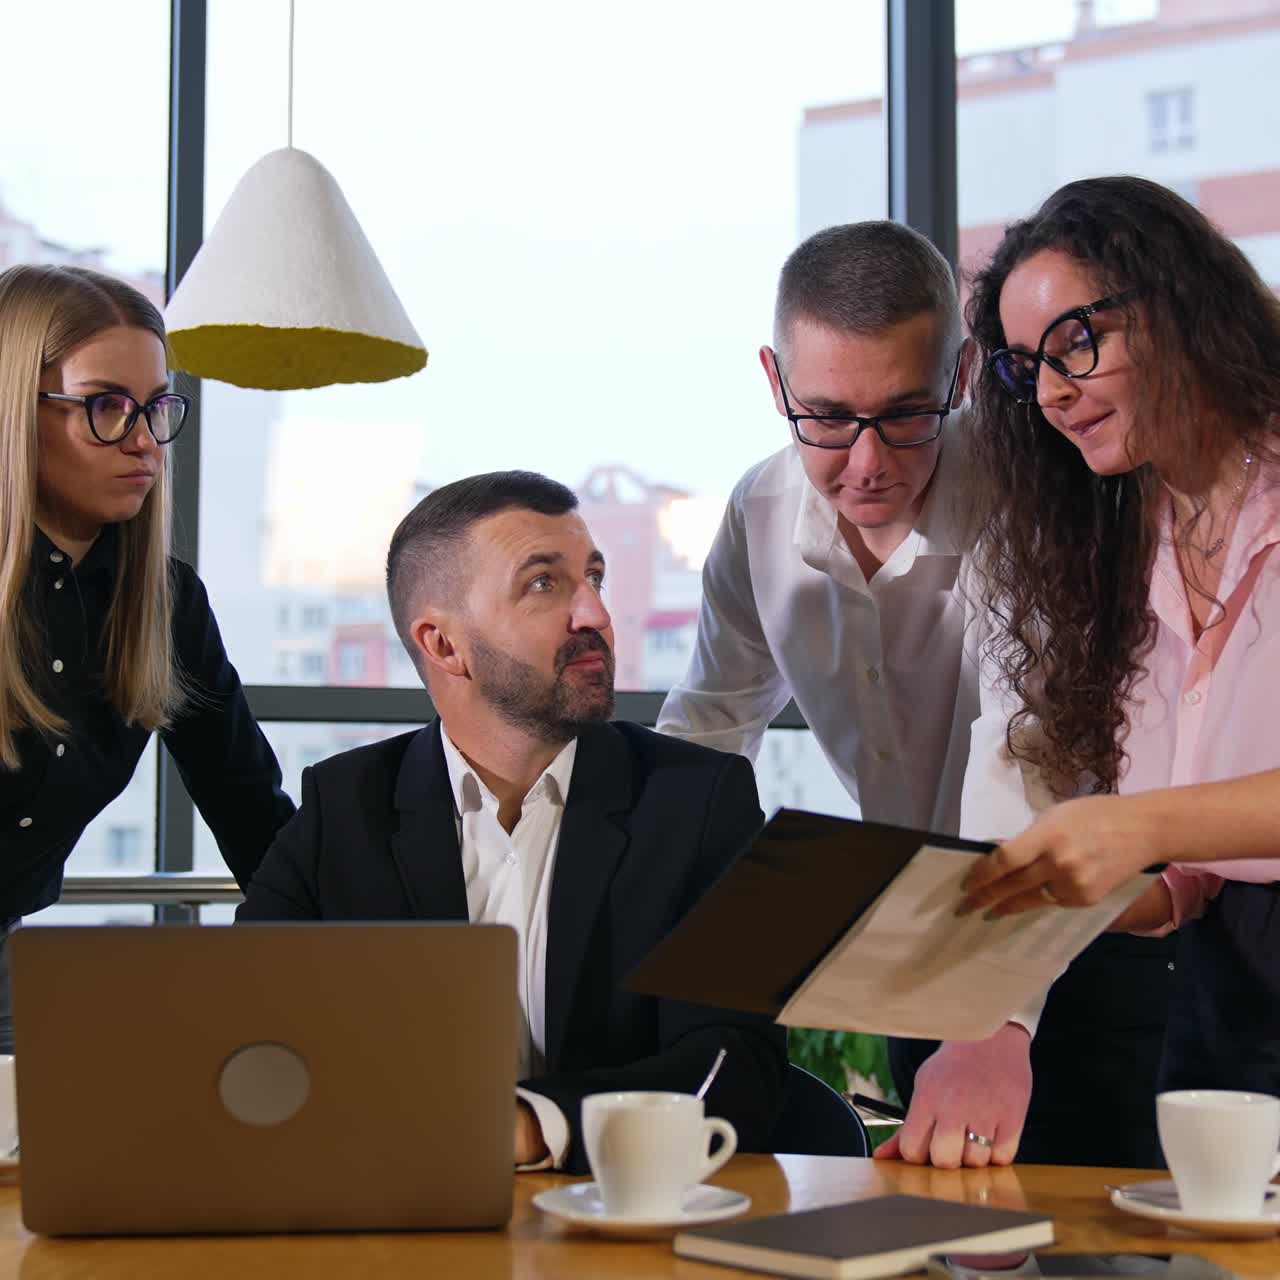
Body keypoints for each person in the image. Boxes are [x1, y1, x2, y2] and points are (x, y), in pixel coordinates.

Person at [657, 220, 1172, 1168]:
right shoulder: (758, 512)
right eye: (824, 417)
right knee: (940, 1235)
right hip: (917, 947)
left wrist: (988, 1014)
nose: (867, 462)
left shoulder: (1030, 498)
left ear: (963, 373)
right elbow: (712, 724)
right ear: (775, 381)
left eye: (905, 414)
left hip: (1084, 944)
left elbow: (1025, 747)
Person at [238, 470, 787, 1173]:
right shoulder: (344, 810)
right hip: (396, 1225)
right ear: (442, 646)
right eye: (543, 584)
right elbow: (249, 1038)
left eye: (594, 577)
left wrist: (531, 1125)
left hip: (620, 1232)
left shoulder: (696, 802)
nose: (593, 613)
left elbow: (735, 1067)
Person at [954, 175, 1280, 1097]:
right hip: (1229, 1012)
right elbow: (1214, 851)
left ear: (1174, 305)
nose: (1053, 394)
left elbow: (1172, 814)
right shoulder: (1121, 546)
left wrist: (1134, 824)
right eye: (1027, 368)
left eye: (1077, 344)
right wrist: (1134, 896)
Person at [0, 263, 295, 1051]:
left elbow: (254, 813)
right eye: (104, 407)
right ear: (14, 413)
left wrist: (373, 963)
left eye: (155, 408)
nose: (142, 441)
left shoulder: (164, 607)